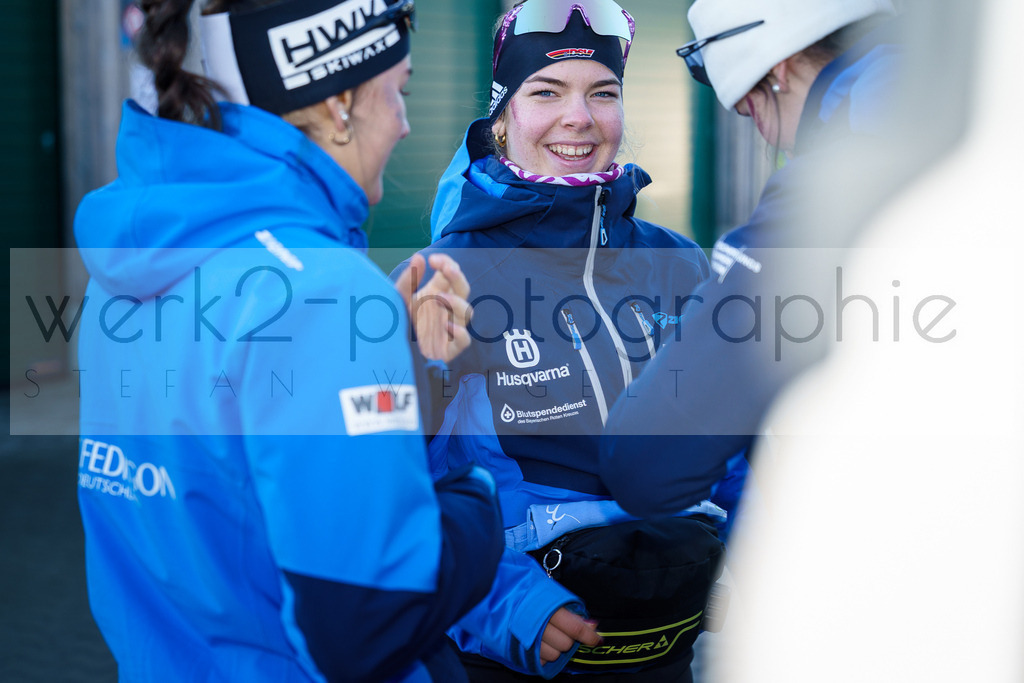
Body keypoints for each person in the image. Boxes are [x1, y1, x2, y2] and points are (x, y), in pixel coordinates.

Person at [73, 0, 504, 681]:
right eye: (399, 91)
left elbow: (216, 491)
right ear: (338, 104)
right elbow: (369, 626)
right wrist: (475, 494)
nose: (405, 122)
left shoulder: (129, 266)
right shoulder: (324, 292)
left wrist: (388, 366)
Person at [394, 1, 723, 680]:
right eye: (546, 92)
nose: (579, 117)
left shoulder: (680, 263)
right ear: (503, 116)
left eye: (603, 93)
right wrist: (507, 606)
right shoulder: (443, 279)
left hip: (668, 642)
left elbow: (737, 444)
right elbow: (398, 487)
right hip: (514, 649)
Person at [599, 0, 903, 518]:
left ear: (778, 73)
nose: (769, 138)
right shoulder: (967, 118)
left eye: (750, 112)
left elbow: (647, 463)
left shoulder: (832, 187)